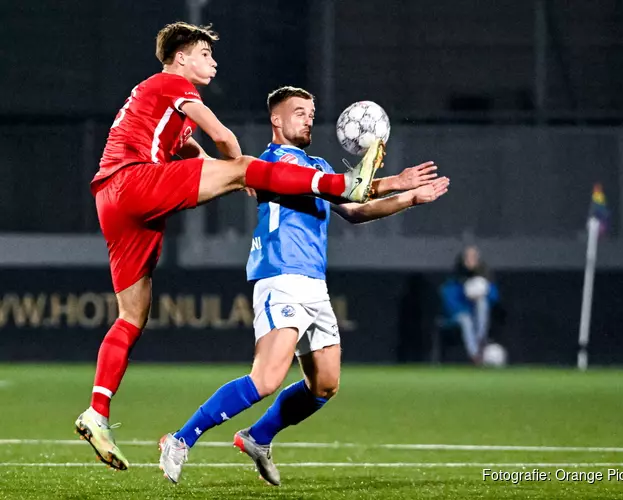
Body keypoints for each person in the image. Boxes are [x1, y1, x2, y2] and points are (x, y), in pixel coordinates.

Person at [73, 23, 385, 471]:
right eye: (205, 53)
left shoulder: (157, 108)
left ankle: (97, 411)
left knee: (131, 316)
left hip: (112, 199)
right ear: (181, 57)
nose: (213, 62)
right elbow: (222, 139)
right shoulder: (172, 82)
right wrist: (241, 174)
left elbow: (195, 155)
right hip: (134, 181)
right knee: (243, 164)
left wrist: (226, 173)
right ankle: (342, 183)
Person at [157, 86, 450, 484]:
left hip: (314, 283)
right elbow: (341, 186)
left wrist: (409, 198)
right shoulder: (271, 163)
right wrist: (394, 180)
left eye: (311, 113)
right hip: (281, 277)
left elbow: (354, 209)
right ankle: (179, 439)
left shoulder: (317, 164)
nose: (309, 118)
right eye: (299, 112)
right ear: (276, 120)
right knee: (266, 378)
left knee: (325, 385)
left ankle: (258, 438)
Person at [439, 245, 500, 364]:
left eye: (474, 257)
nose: (471, 260)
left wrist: (482, 294)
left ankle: (480, 339)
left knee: (482, 303)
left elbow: (494, 297)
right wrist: (464, 307)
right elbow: (449, 301)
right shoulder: (455, 278)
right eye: (468, 257)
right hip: (458, 315)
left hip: (477, 317)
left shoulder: (484, 277)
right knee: (466, 320)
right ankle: (475, 355)